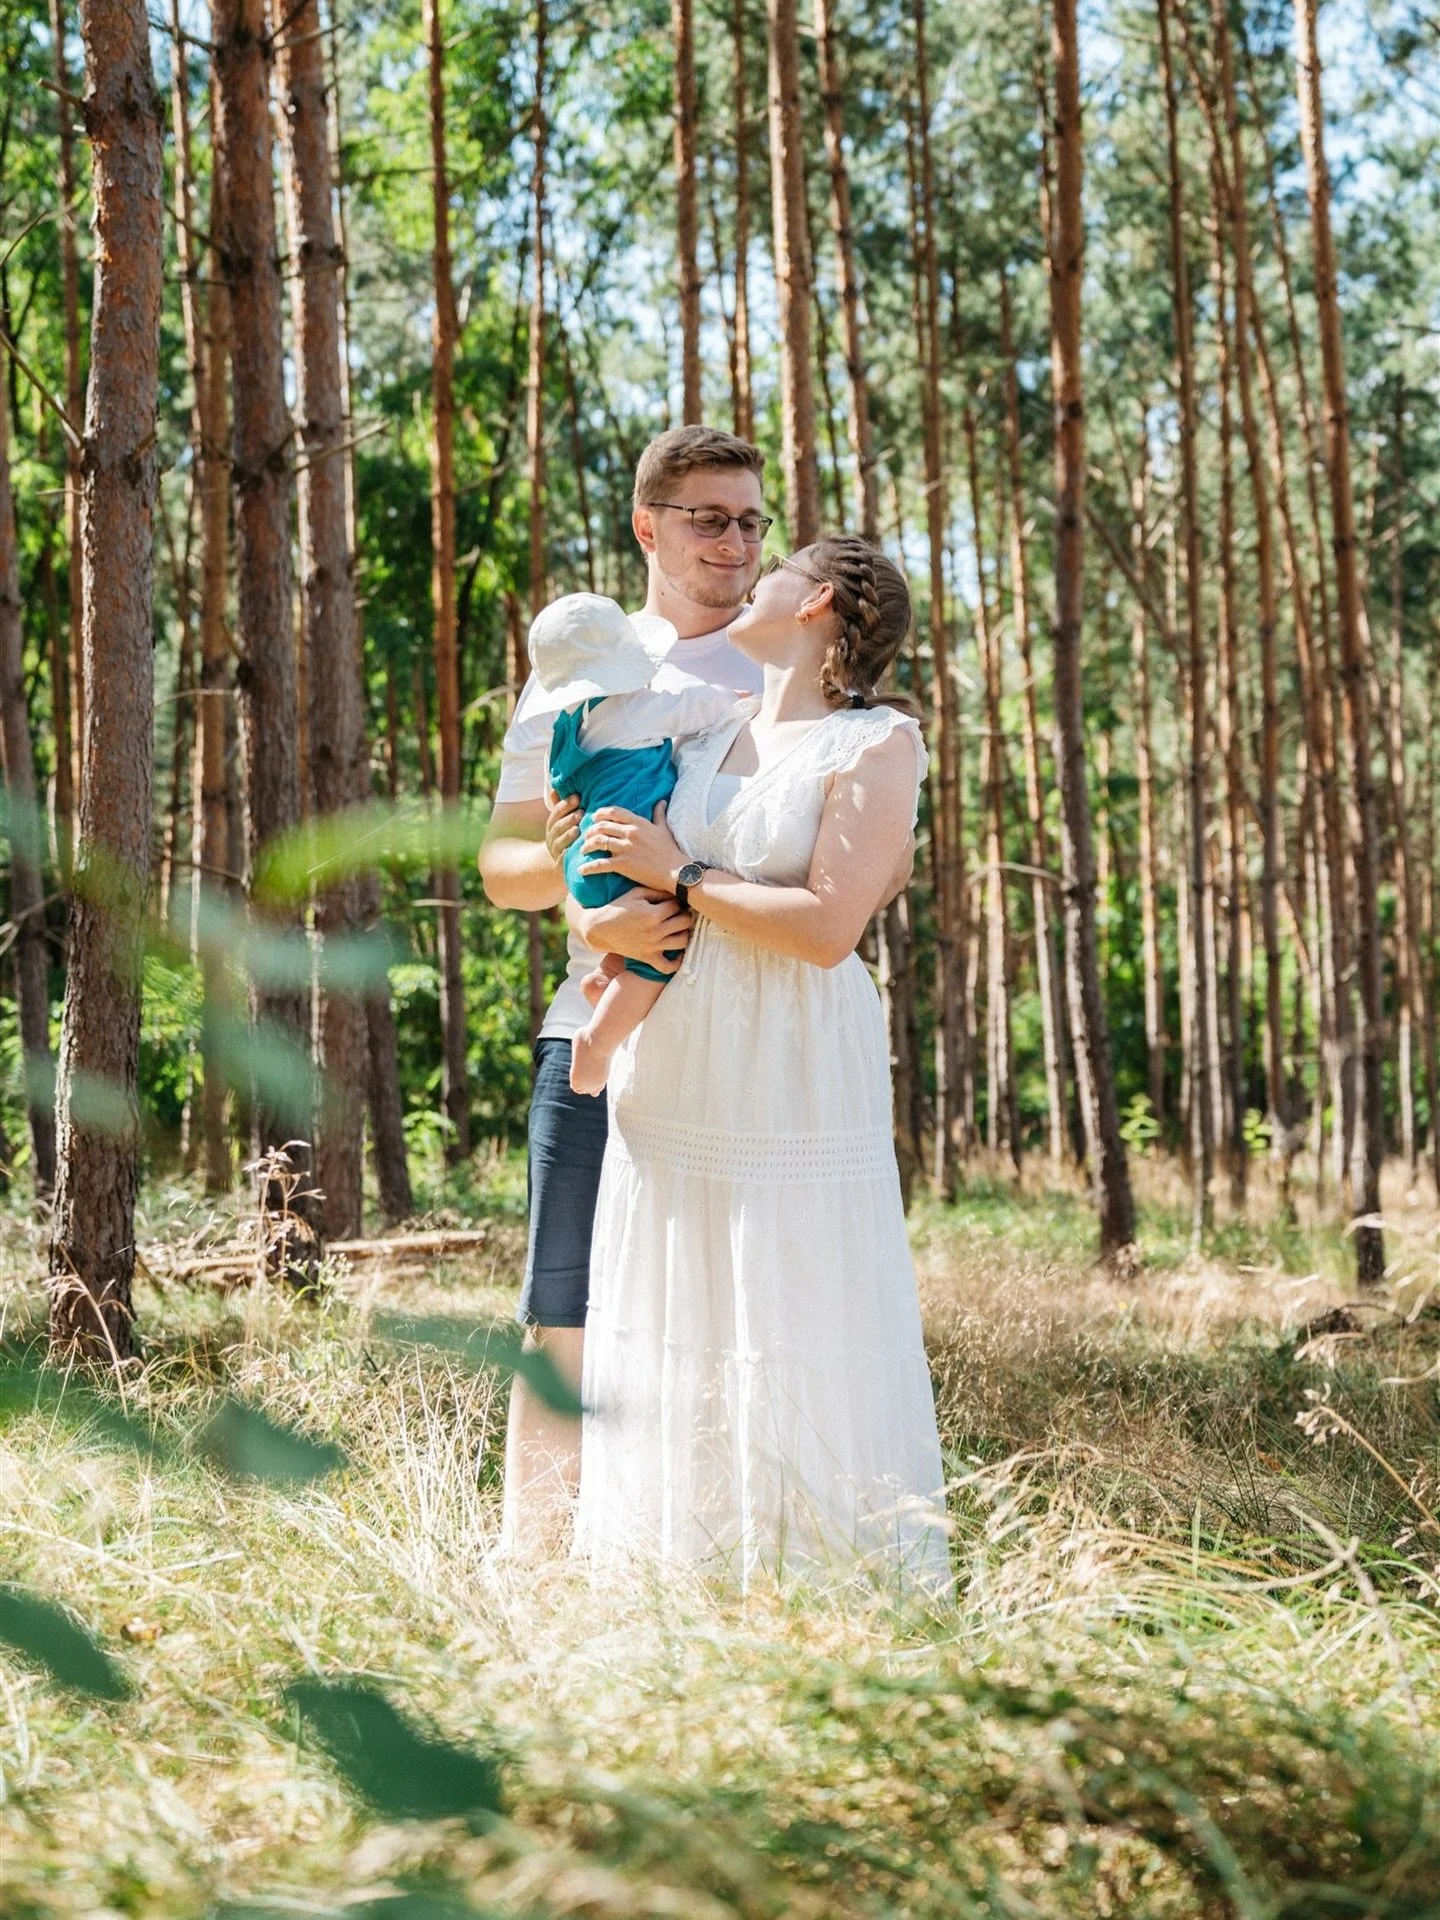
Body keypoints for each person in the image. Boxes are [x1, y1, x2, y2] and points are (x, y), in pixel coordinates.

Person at [571, 536, 952, 1595]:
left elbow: (830, 926)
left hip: (791, 1055)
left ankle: (821, 1579)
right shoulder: (708, 730)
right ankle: (677, 1576)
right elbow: (626, 866)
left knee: (793, 1293)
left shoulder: (876, 743)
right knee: (677, 1291)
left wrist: (683, 873)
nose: (754, 575)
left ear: (816, 599)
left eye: (775, 565)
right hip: (683, 1047)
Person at [478, 425, 768, 1560]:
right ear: (649, 526)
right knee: (562, 1306)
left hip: (746, 1034)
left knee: (729, 1310)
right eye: (709, 518)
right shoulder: (576, 671)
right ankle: (534, 1561)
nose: (735, 542)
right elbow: (503, 861)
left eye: (750, 520)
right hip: (590, 1025)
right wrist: (581, 901)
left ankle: (707, 1552)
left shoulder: (789, 662)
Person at [523, 592, 745, 1095]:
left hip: (586, 863)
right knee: (662, 952)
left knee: (637, 943)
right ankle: (598, 1042)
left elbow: (556, 795)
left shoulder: (568, 726)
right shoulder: (643, 708)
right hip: (625, 859)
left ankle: (606, 979)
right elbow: (705, 707)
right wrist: (748, 701)